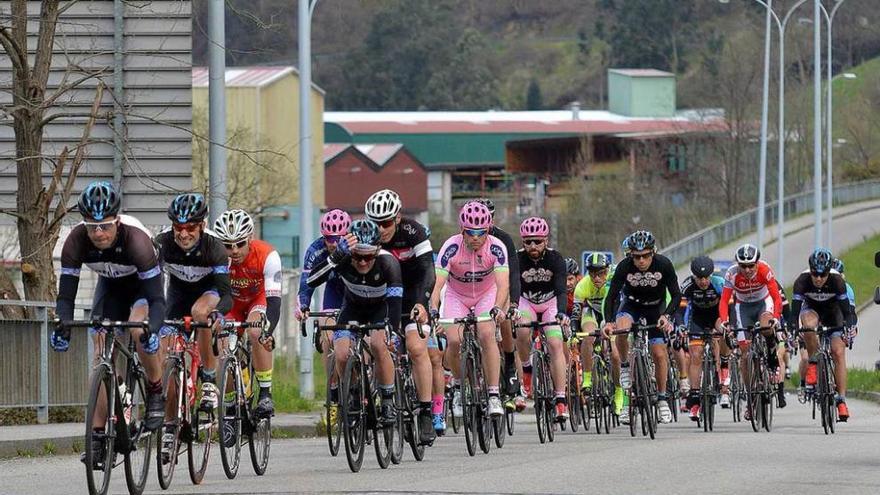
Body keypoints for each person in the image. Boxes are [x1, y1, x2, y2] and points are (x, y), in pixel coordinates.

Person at [51, 181, 167, 468]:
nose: (98, 233)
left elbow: (157, 300)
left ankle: (155, 390)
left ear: (116, 221)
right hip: (111, 287)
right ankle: (98, 435)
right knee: (99, 350)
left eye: (104, 226)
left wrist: (153, 327)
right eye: (92, 227)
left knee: (138, 328)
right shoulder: (76, 241)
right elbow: (66, 294)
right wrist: (61, 323)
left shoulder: (136, 241)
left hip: (142, 287)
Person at [154, 193, 232, 457]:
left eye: (190, 228)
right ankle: (169, 426)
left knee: (201, 312)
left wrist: (218, 314)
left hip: (208, 293)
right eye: (178, 228)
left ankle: (209, 378)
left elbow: (226, 293)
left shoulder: (215, 248)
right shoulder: (162, 244)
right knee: (166, 361)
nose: (184, 234)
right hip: (176, 297)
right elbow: (148, 280)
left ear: (202, 225)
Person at [307, 219, 403, 428]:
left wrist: (392, 332)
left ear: (377, 250)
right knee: (340, 354)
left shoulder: (389, 263)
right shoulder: (342, 259)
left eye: (368, 257)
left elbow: (395, 303)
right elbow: (311, 281)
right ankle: (352, 393)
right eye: (357, 256)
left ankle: (387, 400)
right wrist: (334, 258)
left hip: (381, 309)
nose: (361, 263)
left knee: (379, 345)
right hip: (352, 308)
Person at [364, 189, 437, 443]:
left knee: (417, 349)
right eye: (375, 223)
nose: (380, 229)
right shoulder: (367, 236)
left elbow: (429, 270)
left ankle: (426, 411)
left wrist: (423, 303)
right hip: (384, 296)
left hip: (414, 293)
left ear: (397, 218)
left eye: (385, 223)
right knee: (377, 345)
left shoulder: (414, 231)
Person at [429, 201, 509, 419]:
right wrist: (434, 309)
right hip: (458, 296)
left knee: (486, 334)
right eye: (470, 232)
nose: (476, 237)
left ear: (488, 229)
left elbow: (503, 284)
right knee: (453, 340)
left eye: (481, 232)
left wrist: (497, 308)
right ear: (461, 230)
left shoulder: (496, 247)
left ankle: (493, 394)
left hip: (486, 295)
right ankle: (457, 385)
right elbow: (437, 284)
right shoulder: (451, 247)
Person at [213, 209, 281, 446]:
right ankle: (231, 406)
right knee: (224, 348)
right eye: (227, 245)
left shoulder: (267, 254)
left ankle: (265, 392)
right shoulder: (216, 257)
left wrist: (266, 331)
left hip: (257, 300)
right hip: (230, 303)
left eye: (239, 244)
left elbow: (274, 302)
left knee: (255, 332)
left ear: (249, 237)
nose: (234, 251)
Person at [603, 230, 681, 424]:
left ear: (652, 253)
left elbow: (676, 294)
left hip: (655, 308)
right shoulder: (624, 267)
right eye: (636, 257)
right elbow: (612, 296)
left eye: (645, 256)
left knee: (659, 353)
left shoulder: (664, 264)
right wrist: (609, 321)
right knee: (621, 330)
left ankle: (662, 399)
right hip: (631, 305)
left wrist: (667, 316)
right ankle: (625, 365)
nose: (641, 261)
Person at [295, 209, 350, 429]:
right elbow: (306, 283)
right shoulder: (315, 250)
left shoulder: (355, 245)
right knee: (328, 340)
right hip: (335, 294)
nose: (334, 244)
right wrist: (304, 306)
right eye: (329, 239)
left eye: (338, 239)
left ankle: (364, 386)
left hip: (356, 294)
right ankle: (334, 392)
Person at [718, 243, 783, 421]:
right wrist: (724, 321)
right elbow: (724, 301)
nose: (747, 270)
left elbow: (776, 297)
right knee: (745, 354)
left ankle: (771, 356)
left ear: (756, 263)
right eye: (743, 266)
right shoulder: (731, 273)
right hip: (743, 307)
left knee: (766, 327)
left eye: (750, 265)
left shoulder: (764, 269)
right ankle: (751, 396)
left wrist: (776, 316)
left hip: (763, 304)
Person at [790, 249, 856, 421]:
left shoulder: (837, 281)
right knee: (809, 327)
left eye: (822, 274)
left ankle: (841, 400)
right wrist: (793, 330)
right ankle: (813, 363)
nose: (818, 278)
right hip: (811, 309)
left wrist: (850, 327)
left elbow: (847, 312)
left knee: (838, 352)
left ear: (828, 272)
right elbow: (794, 312)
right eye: (815, 274)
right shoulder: (802, 281)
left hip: (834, 313)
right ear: (810, 270)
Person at [515, 217, 571, 420]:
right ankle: (527, 367)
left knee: (555, 344)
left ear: (546, 241)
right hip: (526, 302)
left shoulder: (556, 259)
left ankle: (561, 399)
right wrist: (512, 308)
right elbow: (514, 288)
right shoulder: (517, 259)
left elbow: (561, 290)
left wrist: (562, 313)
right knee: (521, 330)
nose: (533, 246)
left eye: (537, 241)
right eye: (528, 242)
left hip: (550, 303)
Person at [475, 198, 524, 412]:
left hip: (497, 287)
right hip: (471, 289)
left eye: (490, 217)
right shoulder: (465, 238)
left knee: (502, 318)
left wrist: (513, 303)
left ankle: (511, 363)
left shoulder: (502, 239)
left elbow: (513, 274)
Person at [571, 252, 623, 413]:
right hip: (592, 312)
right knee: (588, 338)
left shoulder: (614, 281)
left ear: (607, 270)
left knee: (615, 355)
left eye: (601, 273)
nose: (597, 278)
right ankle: (587, 378)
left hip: (611, 315)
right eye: (592, 273)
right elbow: (576, 312)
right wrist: (573, 330)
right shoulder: (582, 286)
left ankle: (619, 390)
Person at [679, 256, 728, 421]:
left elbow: (729, 305)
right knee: (695, 354)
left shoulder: (719, 283)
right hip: (697, 319)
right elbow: (680, 310)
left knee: (724, 331)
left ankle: (723, 366)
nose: (703, 281)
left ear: (711, 275)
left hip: (717, 316)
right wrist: (680, 326)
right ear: (694, 276)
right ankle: (694, 398)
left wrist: (729, 325)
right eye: (700, 278)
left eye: (706, 277)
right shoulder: (687, 285)